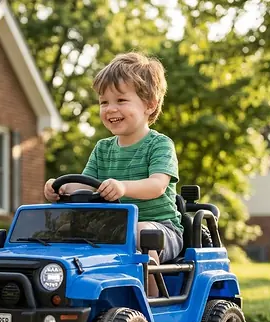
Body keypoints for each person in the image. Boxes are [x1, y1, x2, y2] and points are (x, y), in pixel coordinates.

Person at [43, 51, 183, 297]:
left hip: (161, 229)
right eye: (104, 102)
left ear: (149, 104)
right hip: (112, 228)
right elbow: (85, 186)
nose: (110, 109)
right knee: (58, 231)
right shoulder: (103, 148)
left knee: (140, 233)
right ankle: (64, 296)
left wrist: (123, 187)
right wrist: (61, 188)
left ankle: (150, 303)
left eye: (120, 100)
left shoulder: (159, 144)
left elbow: (157, 186)